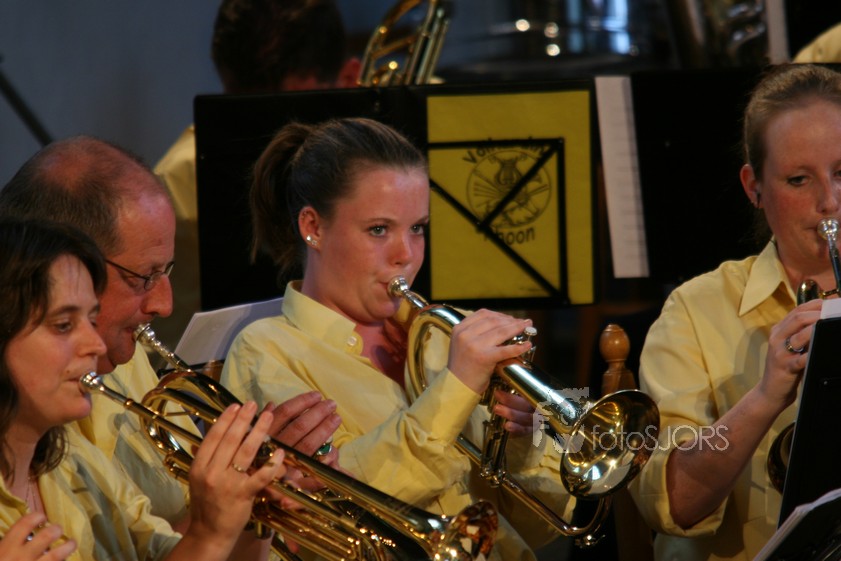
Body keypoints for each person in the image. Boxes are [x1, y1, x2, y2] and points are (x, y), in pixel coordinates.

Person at [220, 117, 576, 561]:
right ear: (314, 227)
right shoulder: (267, 350)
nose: (406, 255)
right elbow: (341, 515)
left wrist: (519, 441)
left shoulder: (448, 335)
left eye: (417, 228)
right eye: (378, 230)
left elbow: (542, 526)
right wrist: (457, 387)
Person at [0, 136, 341, 543]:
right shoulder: (47, 405)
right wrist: (220, 518)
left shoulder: (129, 362)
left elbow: (163, 544)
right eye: (144, 277)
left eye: (167, 271)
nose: (165, 305)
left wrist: (255, 500)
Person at [627, 63, 840, 560]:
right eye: (798, 179)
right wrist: (765, 397)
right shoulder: (694, 311)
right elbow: (675, 505)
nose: (829, 202)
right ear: (754, 187)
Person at [0, 217, 285, 561]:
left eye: (92, 321)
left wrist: (252, 513)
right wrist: (209, 534)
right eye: (63, 325)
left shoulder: (77, 462)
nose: (95, 345)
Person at [153, 0, 360, 349]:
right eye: (245, 116)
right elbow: (176, 349)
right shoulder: (178, 182)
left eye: (296, 117)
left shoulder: (174, 175)